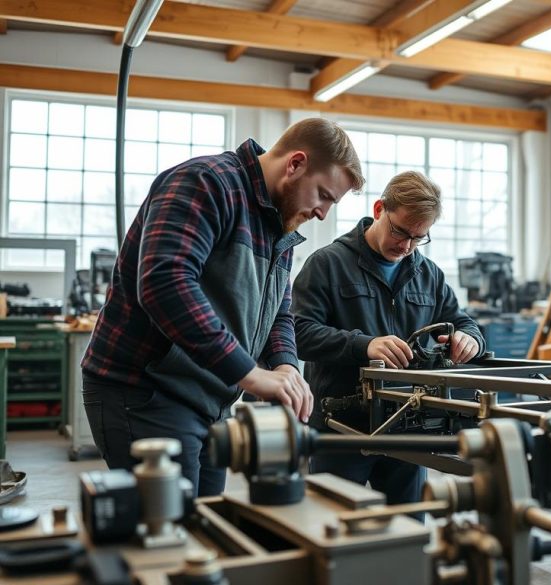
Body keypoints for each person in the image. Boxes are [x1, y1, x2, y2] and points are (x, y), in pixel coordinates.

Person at [81, 118, 364, 497]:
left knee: (208, 524)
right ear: (295, 164)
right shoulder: (206, 183)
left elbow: (277, 311)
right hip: (145, 391)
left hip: (208, 401)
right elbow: (166, 284)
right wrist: (249, 374)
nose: (323, 213)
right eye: (324, 195)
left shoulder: (279, 225)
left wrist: (284, 366)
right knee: (171, 532)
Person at [292, 170, 485, 508]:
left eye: (418, 237)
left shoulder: (428, 275)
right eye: (400, 231)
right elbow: (298, 332)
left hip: (409, 428)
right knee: (333, 527)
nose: (406, 245)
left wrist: (470, 338)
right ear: (380, 209)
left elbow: (462, 321)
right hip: (342, 430)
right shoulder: (327, 264)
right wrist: (363, 344)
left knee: (408, 530)